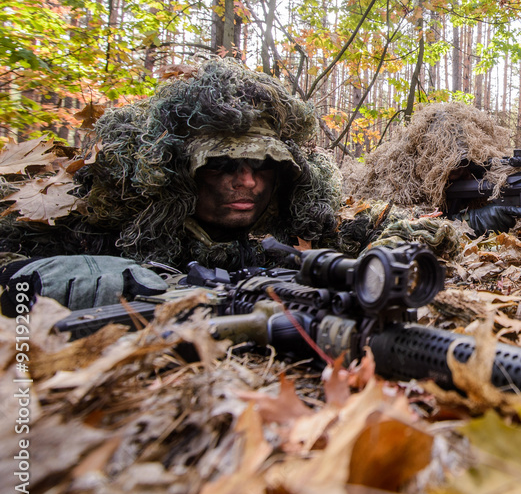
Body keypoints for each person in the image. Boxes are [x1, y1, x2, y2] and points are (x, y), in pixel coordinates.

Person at [0, 60, 344, 312]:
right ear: (178, 172)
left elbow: (383, 234)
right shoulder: (108, 225)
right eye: (221, 165)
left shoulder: (292, 222)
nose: (248, 181)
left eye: (264, 165)